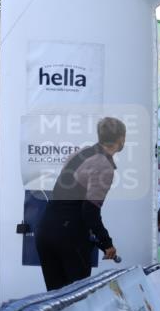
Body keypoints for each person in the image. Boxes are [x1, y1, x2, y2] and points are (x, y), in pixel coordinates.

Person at [35, 117, 126, 290]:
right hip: (69, 238)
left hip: (45, 230)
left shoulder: (81, 152)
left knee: (55, 301)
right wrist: (107, 243)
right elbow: (89, 211)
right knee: (77, 301)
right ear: (121, 139)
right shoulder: (104, 166)